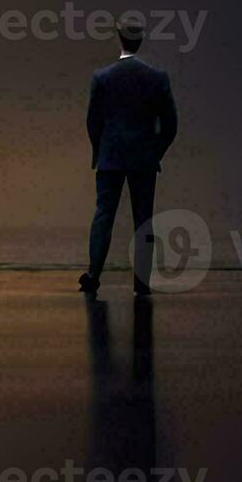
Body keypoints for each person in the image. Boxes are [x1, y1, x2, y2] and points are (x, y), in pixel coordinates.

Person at [78, 17, 178, 296]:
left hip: (111, 155)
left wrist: (97, 149)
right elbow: (170, 123)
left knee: (104, 214)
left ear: (119, 38)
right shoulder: (157, 77)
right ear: (140, 40)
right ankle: (142, 281)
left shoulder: (102, 77)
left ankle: (93, 274)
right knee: (143, 219)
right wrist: (157, 151)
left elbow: (92, 121)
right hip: (144, 157)